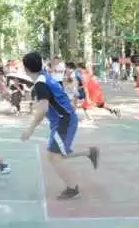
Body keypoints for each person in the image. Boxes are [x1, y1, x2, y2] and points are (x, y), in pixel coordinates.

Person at [20, 51, 99, 200]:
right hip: (63, 120)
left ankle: (72, 188)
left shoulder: (41, 83)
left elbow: (43, 109)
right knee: (57, 153)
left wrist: (30, 129)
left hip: (64, 121)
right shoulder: (44, 77)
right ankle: (89, 153)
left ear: (26, 69)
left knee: (54, 156)